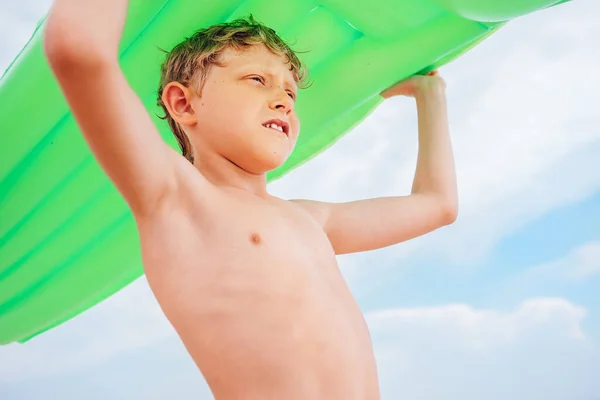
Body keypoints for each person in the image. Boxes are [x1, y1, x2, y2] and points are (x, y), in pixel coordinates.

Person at [43, 0, 457, 398]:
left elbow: (437, 205)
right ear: (184, 103)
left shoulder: (312, 220)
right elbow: (79, 51)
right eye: (258, 80)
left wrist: (429, 94)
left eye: (291, 94)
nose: (283, 100)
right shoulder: (176, 198)